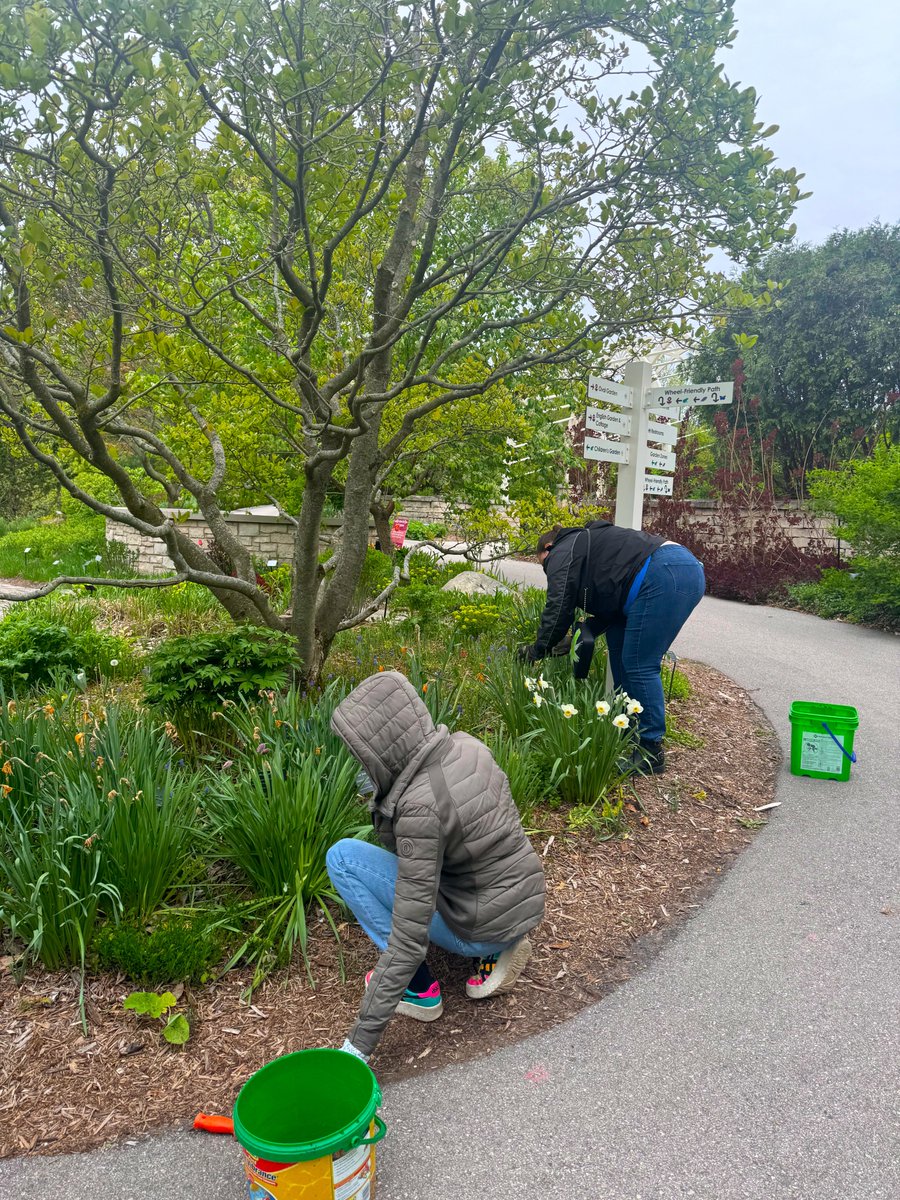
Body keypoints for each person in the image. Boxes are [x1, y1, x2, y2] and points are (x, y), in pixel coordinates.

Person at [327, 670, 545, 1062]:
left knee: (341, 858)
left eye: (359, 754)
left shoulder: (419, 807)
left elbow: (408, 940)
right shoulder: (467, 745)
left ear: (378, 749)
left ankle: (419, 989)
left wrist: (355, 1049)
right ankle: (500, 944)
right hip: (521, 899)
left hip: (478, 926)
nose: (358, 764)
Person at [519, 521, 705, 774]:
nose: (547, 570)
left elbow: (558, 605)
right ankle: (628, 729)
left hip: (665, 574)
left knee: (639, 664)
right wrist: (576, 636)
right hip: (668, 572)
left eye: (544, 564)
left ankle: (650, 751)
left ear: (548, 547)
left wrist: (536, 651)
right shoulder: (586, 545)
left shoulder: (562, 550)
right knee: (619, 651)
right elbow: (610, 599)